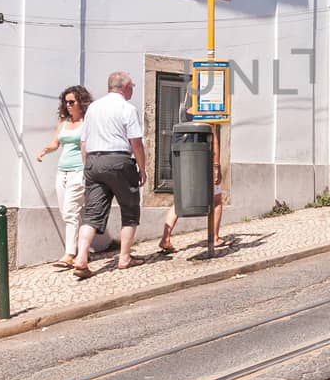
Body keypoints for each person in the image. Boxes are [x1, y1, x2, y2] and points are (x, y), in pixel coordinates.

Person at [72, 71, 148, 279]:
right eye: (132, 85)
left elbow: (83, 142)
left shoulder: (94, 108)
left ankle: (81, 258)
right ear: (123, 87)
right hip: (118, 160)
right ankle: (124, 257)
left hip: (94, 161)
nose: (133, 89)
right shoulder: (127, 108)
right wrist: (142, 168)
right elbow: (136, 142)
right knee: (130, 209)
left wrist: (88, 166)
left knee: (92, 213)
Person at [38, 84, 92, 268]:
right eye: (65, 102)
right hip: (62, 171)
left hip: (79, 170)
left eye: (71, 102)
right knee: (66, 212)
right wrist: (45, 150)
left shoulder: (87, 121)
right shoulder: (63, 122)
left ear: (81, 102)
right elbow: (56, 143)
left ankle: (70, 254)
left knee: (70, 211)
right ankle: (82, 249)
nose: (68, 105)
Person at [159, 122, 227, 255]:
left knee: (180, 199)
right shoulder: (207, 115)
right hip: (204, 162)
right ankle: (214, 237)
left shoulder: (185, 114)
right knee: (217, 200)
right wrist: (216, 166)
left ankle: (165, 238)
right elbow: (214, 142)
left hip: (184, 160)